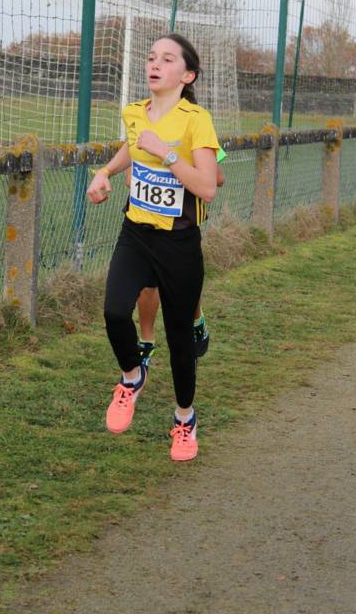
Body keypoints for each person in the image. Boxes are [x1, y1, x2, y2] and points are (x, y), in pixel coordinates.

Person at [87, 33, 220, 461]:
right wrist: (105, 172)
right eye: (151, 57)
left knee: (180, 341)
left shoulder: (196, 120)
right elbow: (133, 146)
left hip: (179, 242)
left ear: (187, 75)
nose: (155, 64)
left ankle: (185, 419)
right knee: (114, 311)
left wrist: (167, 154)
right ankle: (132, 377)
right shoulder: (134, 112)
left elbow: (208, 186)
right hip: (136, 233)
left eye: (167, 59)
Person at [134, 150, 226, 363]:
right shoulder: (142, 136)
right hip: (148, 221)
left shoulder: (197, 135)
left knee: (185, 283)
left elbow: (218, 178)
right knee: (147, 282)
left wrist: (180, 169)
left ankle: (196, 319)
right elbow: (130, 180)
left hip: (182, 224)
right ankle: (146, 341)